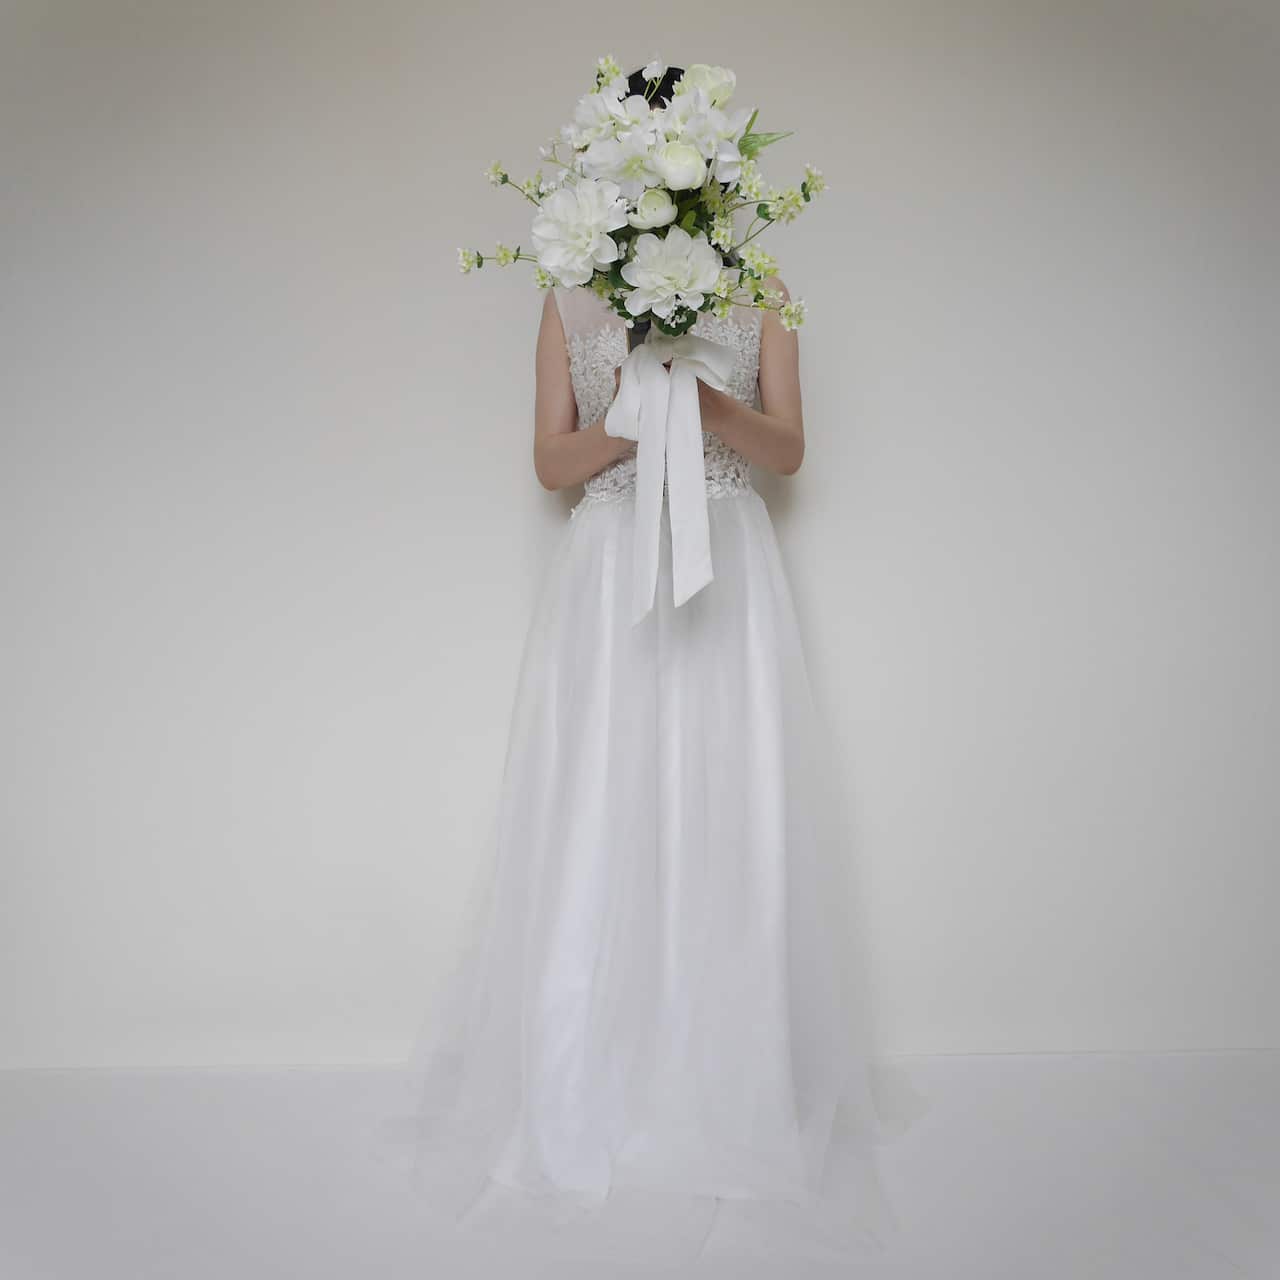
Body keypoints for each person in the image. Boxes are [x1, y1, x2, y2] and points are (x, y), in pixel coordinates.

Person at [385, 64, 925, 1265]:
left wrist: (701, 392)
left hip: (725, 570)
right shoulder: (569, 299)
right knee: (601, 806)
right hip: (609, 572)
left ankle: (729, 1077)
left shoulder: (762, 285)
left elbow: (786, 451)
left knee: (731, 804)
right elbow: (547, 464)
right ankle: (590, 1078)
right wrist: (632, 404)